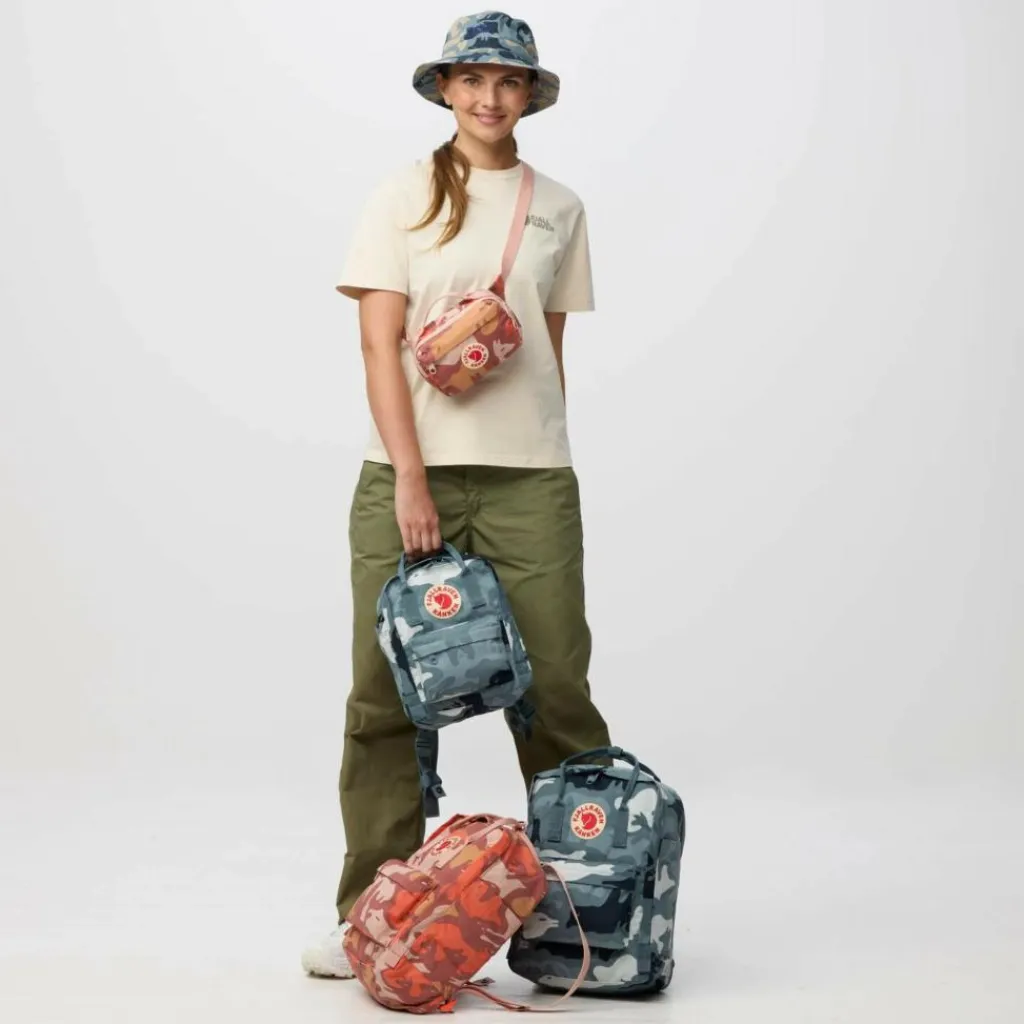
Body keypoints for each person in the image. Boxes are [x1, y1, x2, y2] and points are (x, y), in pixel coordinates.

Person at [301, 10, 612, 978]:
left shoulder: (559, 207)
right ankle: (372, 918)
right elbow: (377, 346)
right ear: (444, 88)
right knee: (384, 693)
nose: (489, 96)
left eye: (508, 81)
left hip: (531, 481)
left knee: (556, 691)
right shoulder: (401, 195)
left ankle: (583, 923)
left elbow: (549, 355)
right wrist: (411, 478)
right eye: (471, 79)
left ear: (529, 95)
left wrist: (541, 453)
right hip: (408, 475)